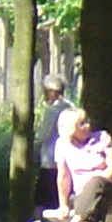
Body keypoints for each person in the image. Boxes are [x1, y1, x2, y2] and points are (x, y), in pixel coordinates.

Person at [35, 76, 75, 210]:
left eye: (46, 91)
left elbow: (43, 135)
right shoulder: (71, 107)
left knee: (45, 201)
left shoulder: (52, 110)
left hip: (50, 161)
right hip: (68, 160)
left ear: (53, 92)